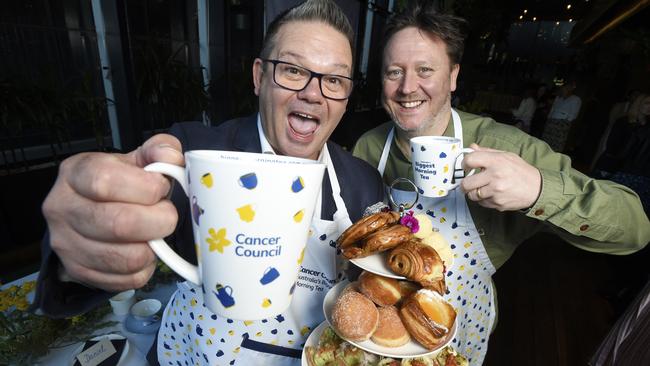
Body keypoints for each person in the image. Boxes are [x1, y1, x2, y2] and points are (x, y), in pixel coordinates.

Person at [33, 1, 384, 365]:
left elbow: (369, 288)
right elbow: (132, 208)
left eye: (334, 80)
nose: (314, 93)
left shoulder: (363, 183)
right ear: (259, 77)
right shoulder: (196, 153)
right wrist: (84, 242)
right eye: (294, 70)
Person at [352, 3, 650, 364]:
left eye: (425, 70)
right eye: (393, 71)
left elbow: (635, 227)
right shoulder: (368, 147)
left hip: (454, 338)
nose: (406, 87)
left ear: (454, 77)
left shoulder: (508, 149)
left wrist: (539, 189)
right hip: (378, 334)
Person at [542, 78, 582, 152]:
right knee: (545, 145)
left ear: (570, 88)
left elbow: (573, 115)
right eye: (562, 87)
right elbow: (552, 110)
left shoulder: (576, 99)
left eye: (565, 87)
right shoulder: (558, 98)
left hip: (561, 126)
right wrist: (549, 120)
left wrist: (562, 123)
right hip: (551, 124)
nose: (562, 89)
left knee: (555, 148)